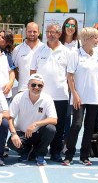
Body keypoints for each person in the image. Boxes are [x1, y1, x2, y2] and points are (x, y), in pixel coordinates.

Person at [30, 23, 72, 162]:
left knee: (59, 127)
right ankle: (37, 150)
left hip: (60, 96)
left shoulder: (66, 52)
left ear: (59, 34)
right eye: (48, 31)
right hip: (41, 96)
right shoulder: (39, 50)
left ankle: (55, 152)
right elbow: (33, 71)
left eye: (53, 32)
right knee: (39, 125)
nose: (50, 34)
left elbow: (70, 75)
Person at [64, 27, 98, 166]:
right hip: (79, 97)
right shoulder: (75, 54)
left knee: (90, 126)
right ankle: (69, 155)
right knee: (76, 125)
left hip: (94, 97)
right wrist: (75, 94)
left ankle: (84, 156)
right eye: (95, 38)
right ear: (86, 39)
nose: (97, 40)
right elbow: (70, 76)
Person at [8, 73, 58, 166]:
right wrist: (14, 134)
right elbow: (10, 117)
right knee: (11, 142)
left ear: (43, 87)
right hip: (23, 133)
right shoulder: (19, 97)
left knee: (51, 129)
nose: (36, 87)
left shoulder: (47, 98)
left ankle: (40, 154)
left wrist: (35, 124)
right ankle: (26, 152)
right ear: (28, 85)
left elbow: (54, 119)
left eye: (40, 85)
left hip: (38, 133)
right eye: (33, 85)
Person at [11, 22, 43, 96]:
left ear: (38, 32)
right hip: (23, 90)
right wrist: (21, 80)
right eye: (29, 31)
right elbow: (13, 68)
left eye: (34, 31)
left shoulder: (45, 49)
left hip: (41, 91)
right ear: (26, 32)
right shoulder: (17, 49)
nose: (32, 34)